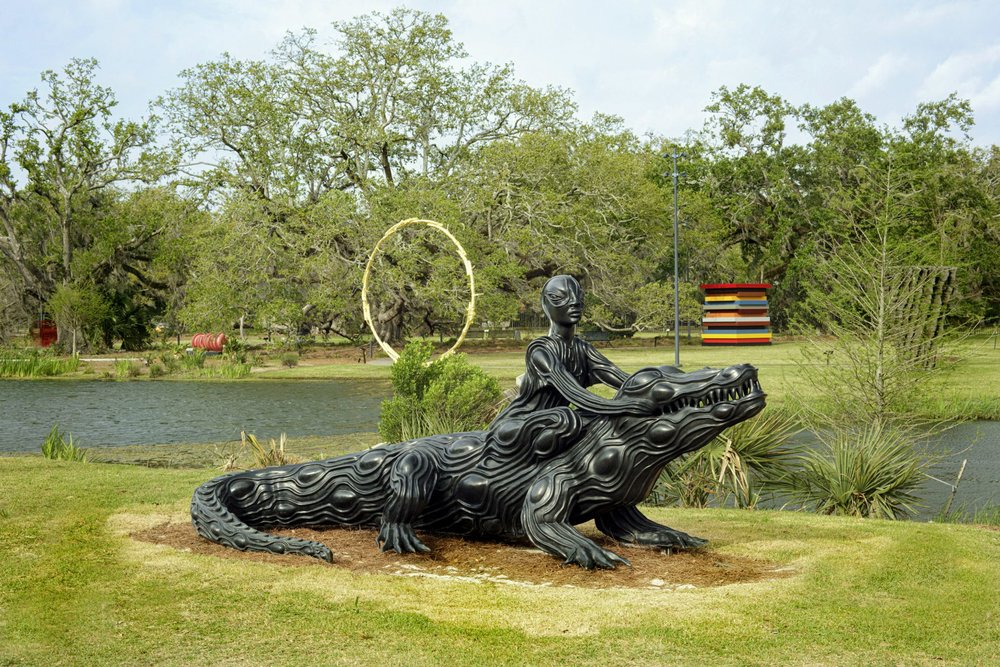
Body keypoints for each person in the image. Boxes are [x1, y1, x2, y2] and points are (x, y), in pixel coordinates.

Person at [486, 275, 653, 460]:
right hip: (518, 427)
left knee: (581, 420)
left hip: (554, 428)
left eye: (578, 296)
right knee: (569, 418)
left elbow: (624, 379)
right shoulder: (540, 351)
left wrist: (658, 386)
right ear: (544, 303)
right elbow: (574, 393)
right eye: (559, 297)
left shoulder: (582, 349)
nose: (574, 302)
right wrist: (628, 406)